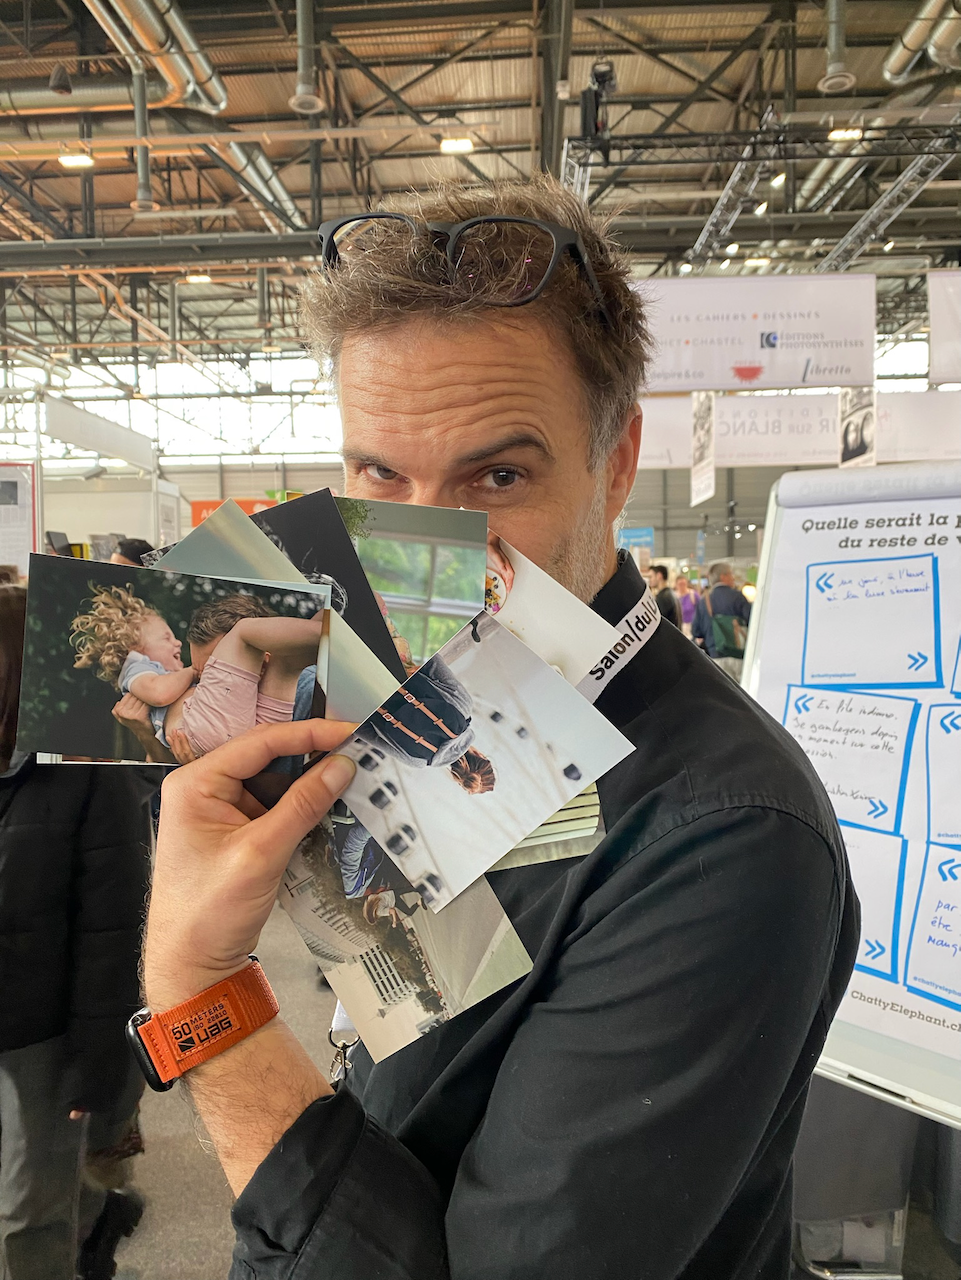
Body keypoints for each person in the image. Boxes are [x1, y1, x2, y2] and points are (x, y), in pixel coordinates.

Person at [141, 177, 859, 1280]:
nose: (430, 544)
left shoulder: (724, 833)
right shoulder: (382, 697)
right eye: (380, 473)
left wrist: (205, 992)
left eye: (499, 474)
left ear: (614, 467)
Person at [0, 585, 154, 1280]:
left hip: (39, 1040)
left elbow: (114, 930)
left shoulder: (89, 767)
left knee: (29, 1216)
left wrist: (106, 1071)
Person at [71, 585, 324, 760]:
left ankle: (339, 628)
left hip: (249, 750)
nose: (207, 678)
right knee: (252, 633)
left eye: (217, 666)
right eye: (205, 671)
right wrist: (145, 734)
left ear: (261, 656)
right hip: (233, 756)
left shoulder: (308, 687)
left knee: (305, 640)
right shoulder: (143, 671)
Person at [691, 561, 753, 682]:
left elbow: (696, 631)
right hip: (739, 654)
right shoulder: (737, 596)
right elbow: (752, 621)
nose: (733, 577)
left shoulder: (704, 601)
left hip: (716, 657)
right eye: (731, 574)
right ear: (723, 576)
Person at [649, 563, 681, 628]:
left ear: (659, 576)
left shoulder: (663, 597)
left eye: (651, 577)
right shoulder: (671, 593)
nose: (649, 580)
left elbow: (658, 623)